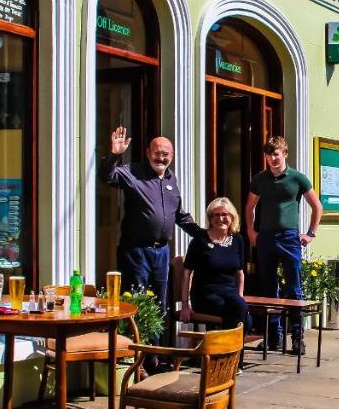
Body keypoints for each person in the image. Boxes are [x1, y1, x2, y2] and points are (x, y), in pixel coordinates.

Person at [99, 127, 199, 331]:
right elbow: (107, 176)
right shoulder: (133, 172)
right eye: (157, 153)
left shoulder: (172, 179)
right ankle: (135, 353)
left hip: (162, 251)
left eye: (165, 154)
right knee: (136, 301)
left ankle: (154, 356)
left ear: (172, 156)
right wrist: (115, 155)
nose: (161, 158)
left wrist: (204, 235)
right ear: (148, 153)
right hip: (136, 250)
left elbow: (178, 215)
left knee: (159, 304)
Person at [244, 136, 322, 355]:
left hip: (289, 238)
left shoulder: (297, 178)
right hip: (266, 237)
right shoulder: (260, 179)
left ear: (284, 153)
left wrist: (310, 234)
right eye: (268, 155)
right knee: (268, 289)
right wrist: (251, 231)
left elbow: (317, 206)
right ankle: (274, 336)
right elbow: (250, 206)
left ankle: (297, 337)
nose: (272, 159)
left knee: (293, 288)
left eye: (276, 154)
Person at [179, 198, 249, 332]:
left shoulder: (238, 240)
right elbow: (186, 274)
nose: (220, 218)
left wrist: (240, 298)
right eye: (216, 215)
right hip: (205, 294)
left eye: (225, 215)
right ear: (210, 219)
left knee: (241, 309)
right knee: (238, 316)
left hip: (229, 293)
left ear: (232, 218)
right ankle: (227, 351)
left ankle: (225, 351)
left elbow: (240, 273)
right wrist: (185, 305)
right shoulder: (199, 241)